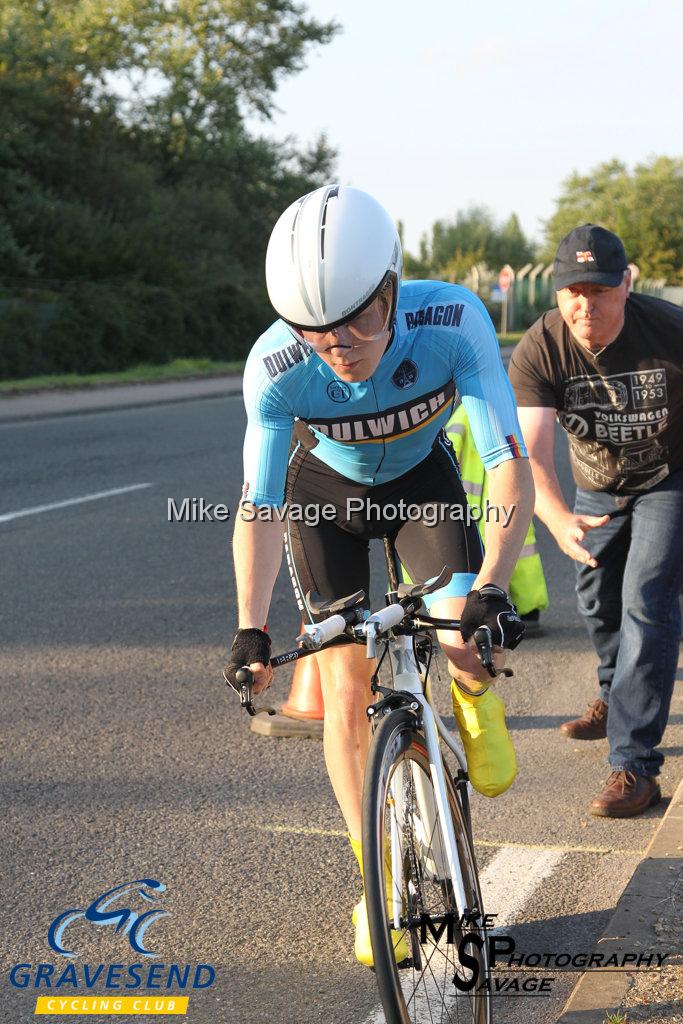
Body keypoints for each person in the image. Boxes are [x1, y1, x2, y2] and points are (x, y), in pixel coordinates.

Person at [227, 184, 534, 965]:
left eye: (360, 318)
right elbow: (258, 506)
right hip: (322, 498)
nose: (339, 344)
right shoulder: (274, 365)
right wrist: (250, 627)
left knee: (462, 626)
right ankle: (377, 885)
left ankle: (469, 692)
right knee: (343, 693)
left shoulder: (450, 320)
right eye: (315, 329)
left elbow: (505, 464)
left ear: (392, 284)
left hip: (422, 490)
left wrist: (493, 585)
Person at [508, 224, 683, 818]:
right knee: (597, 599)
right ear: (557, 292)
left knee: (646, 598)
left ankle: (634, 766)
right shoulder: (541, 348)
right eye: (572, 290)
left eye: (600, 290)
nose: (586, 304)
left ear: (625, 285)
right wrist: (555, 517)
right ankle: (614, 694)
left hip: (670, 478)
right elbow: (528, 450)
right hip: (597, 489)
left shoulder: (669, 330)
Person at [446, 401, 549, 633]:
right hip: (508, 500)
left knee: (474, 561)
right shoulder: (510, 413)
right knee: (522, 553)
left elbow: (448, 451)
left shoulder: (465, 414)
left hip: (473, 508)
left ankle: (466, 612)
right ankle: (529, 609)